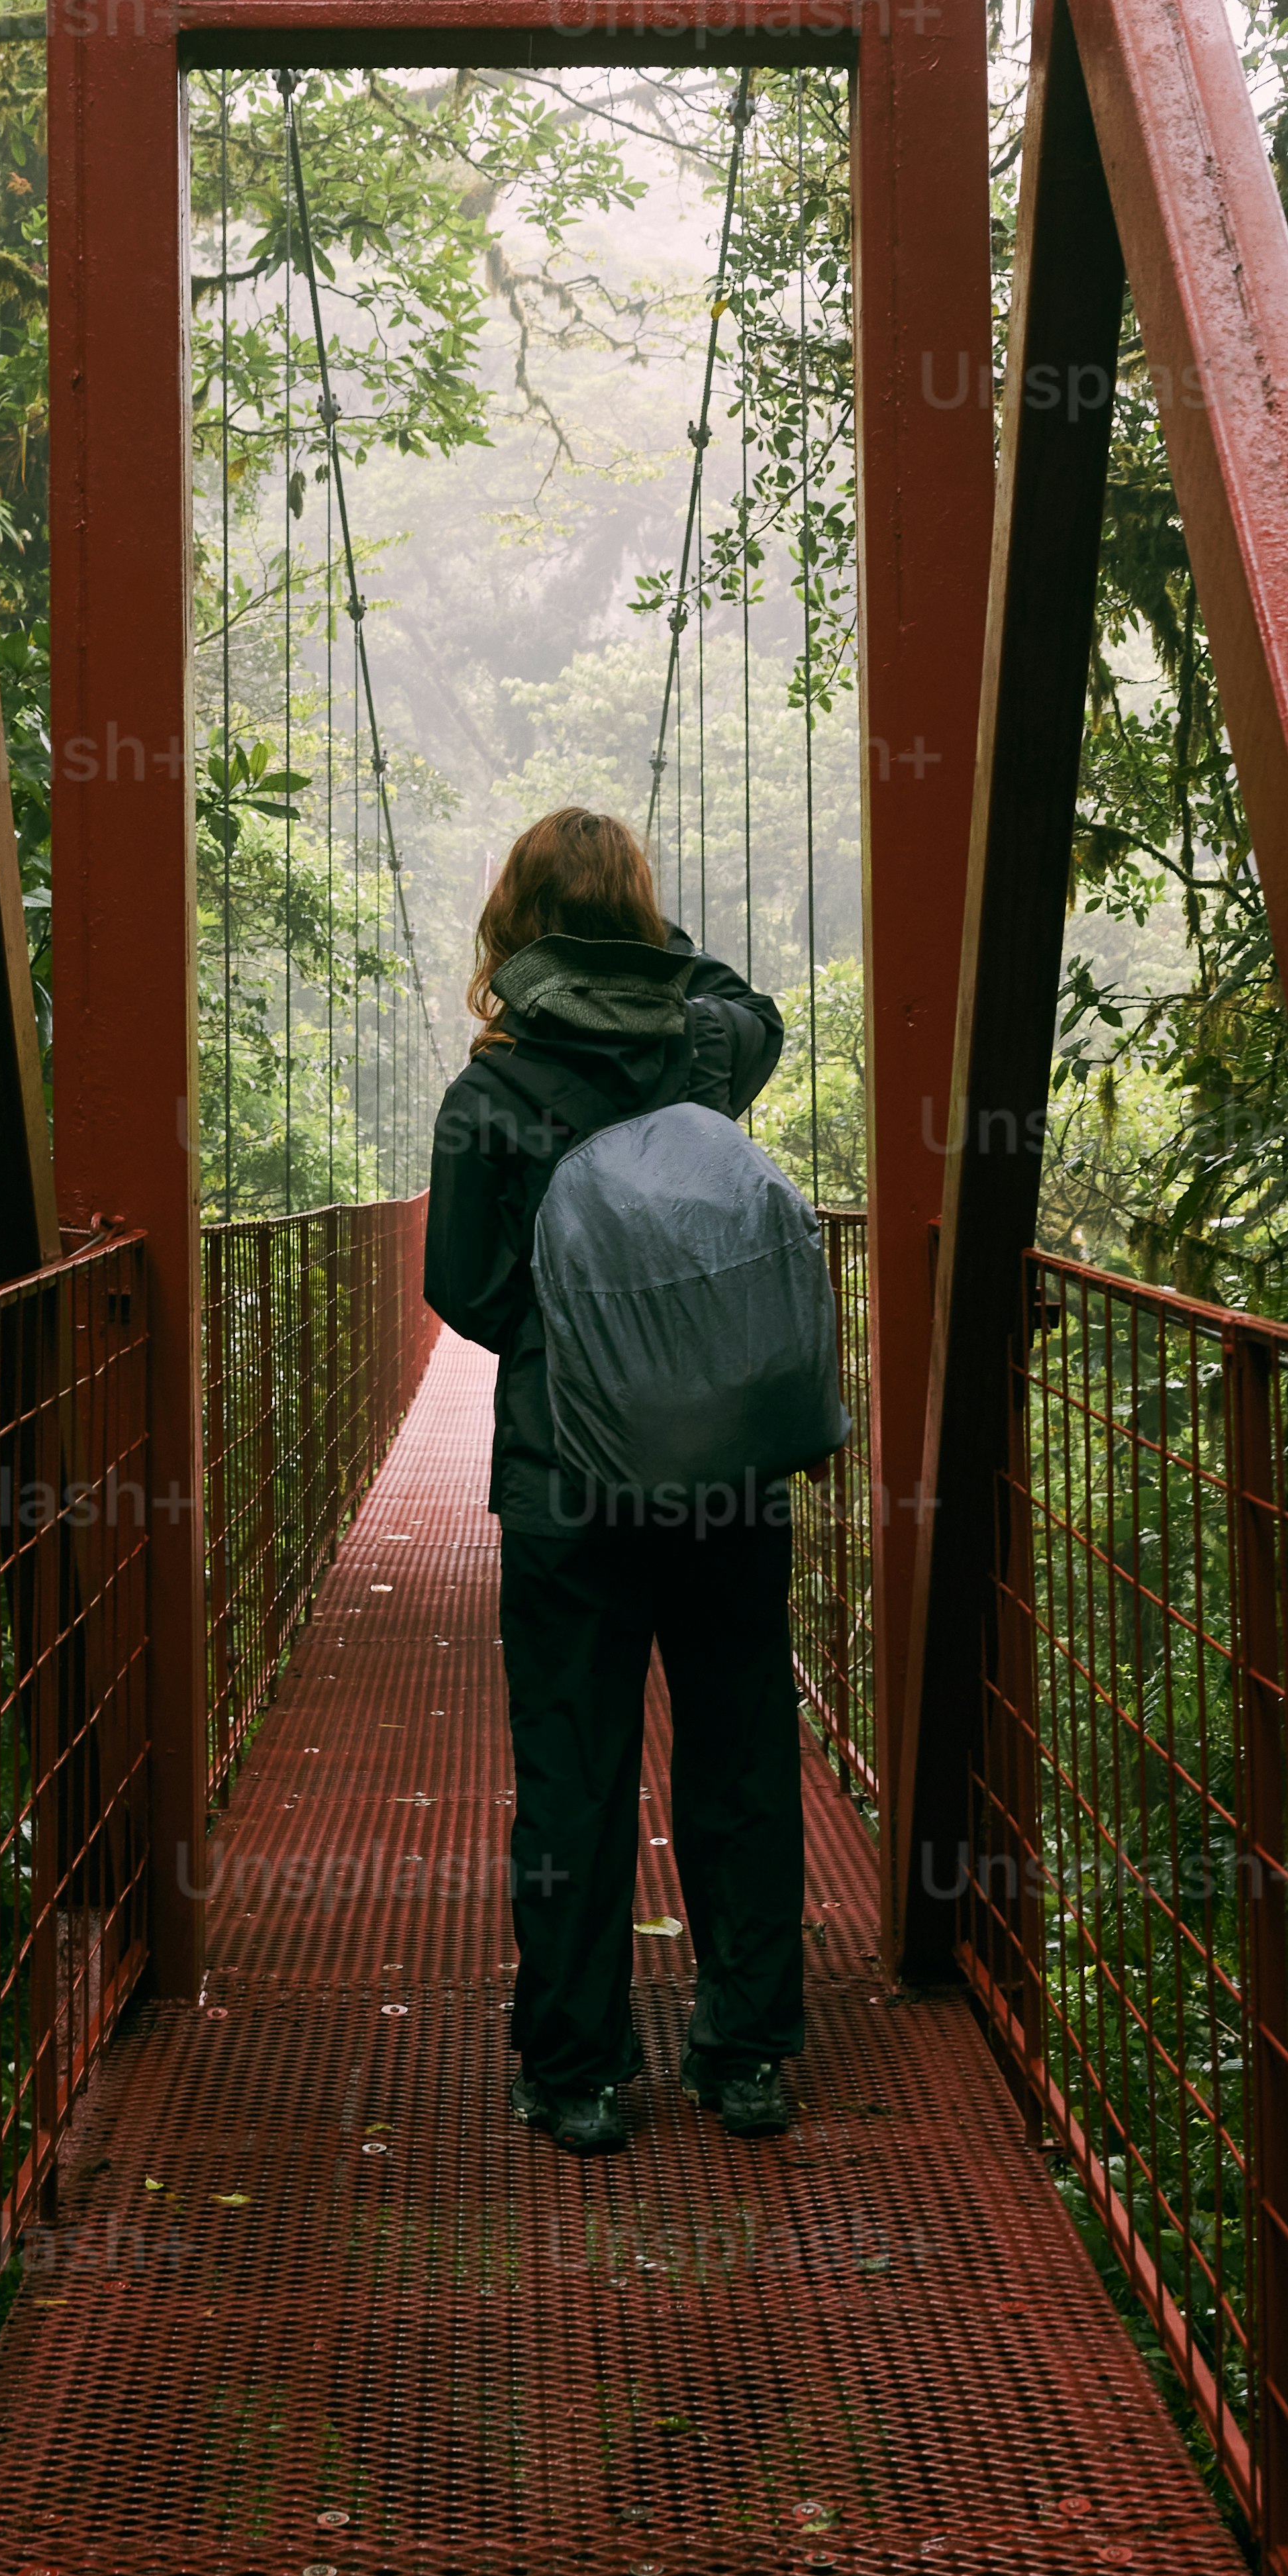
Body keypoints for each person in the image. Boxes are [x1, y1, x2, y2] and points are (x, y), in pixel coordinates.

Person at [423, 805, 808, 2157]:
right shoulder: (706, 1050)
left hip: (566, 1477)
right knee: (743, 1751)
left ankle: (578, 2073)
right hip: (721, 1469)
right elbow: (748, 1003)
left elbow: (461, 1290)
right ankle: (746, 2053)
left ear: (514, 920)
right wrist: (659, 960)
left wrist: (571, 1340)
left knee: (574, 1772)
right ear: (643, 920)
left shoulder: (495, 1088)